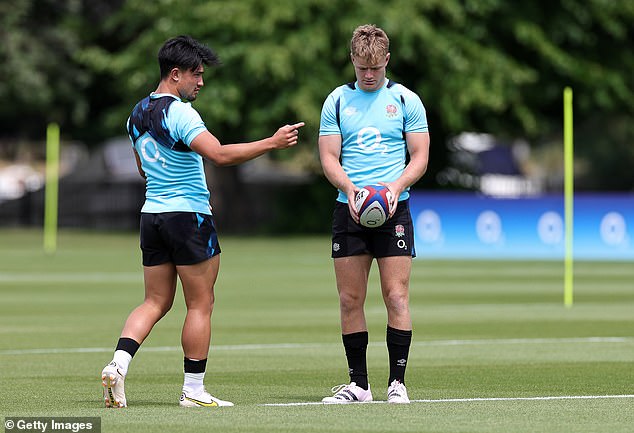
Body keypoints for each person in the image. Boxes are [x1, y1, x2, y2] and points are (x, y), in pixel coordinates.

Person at [101, 35, 304, 408]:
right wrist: (271, 143)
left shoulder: (136, 113)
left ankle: (118, 363)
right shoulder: (180, 113)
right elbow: (220, 155)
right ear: (175, 75)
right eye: (196, 74)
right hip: (188, 217)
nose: (201, 82)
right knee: (200, 304)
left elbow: (142, 168)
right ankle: (193, 391)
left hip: (152, 215)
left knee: (155, 301)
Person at [318, 24, 430, 404]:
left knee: (396, 296)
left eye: (375, 68)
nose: (368, 75)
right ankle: (359, 385)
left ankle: (397, 383)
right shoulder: (336, 101)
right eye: (362, 67)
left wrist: (395, 189)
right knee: (350, 299)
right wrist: (351, 191)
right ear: (352, 60)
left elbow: (420, 157)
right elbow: (329, 158)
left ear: (386, 61)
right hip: (349, 210)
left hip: (395, 211)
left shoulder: (404, 99)